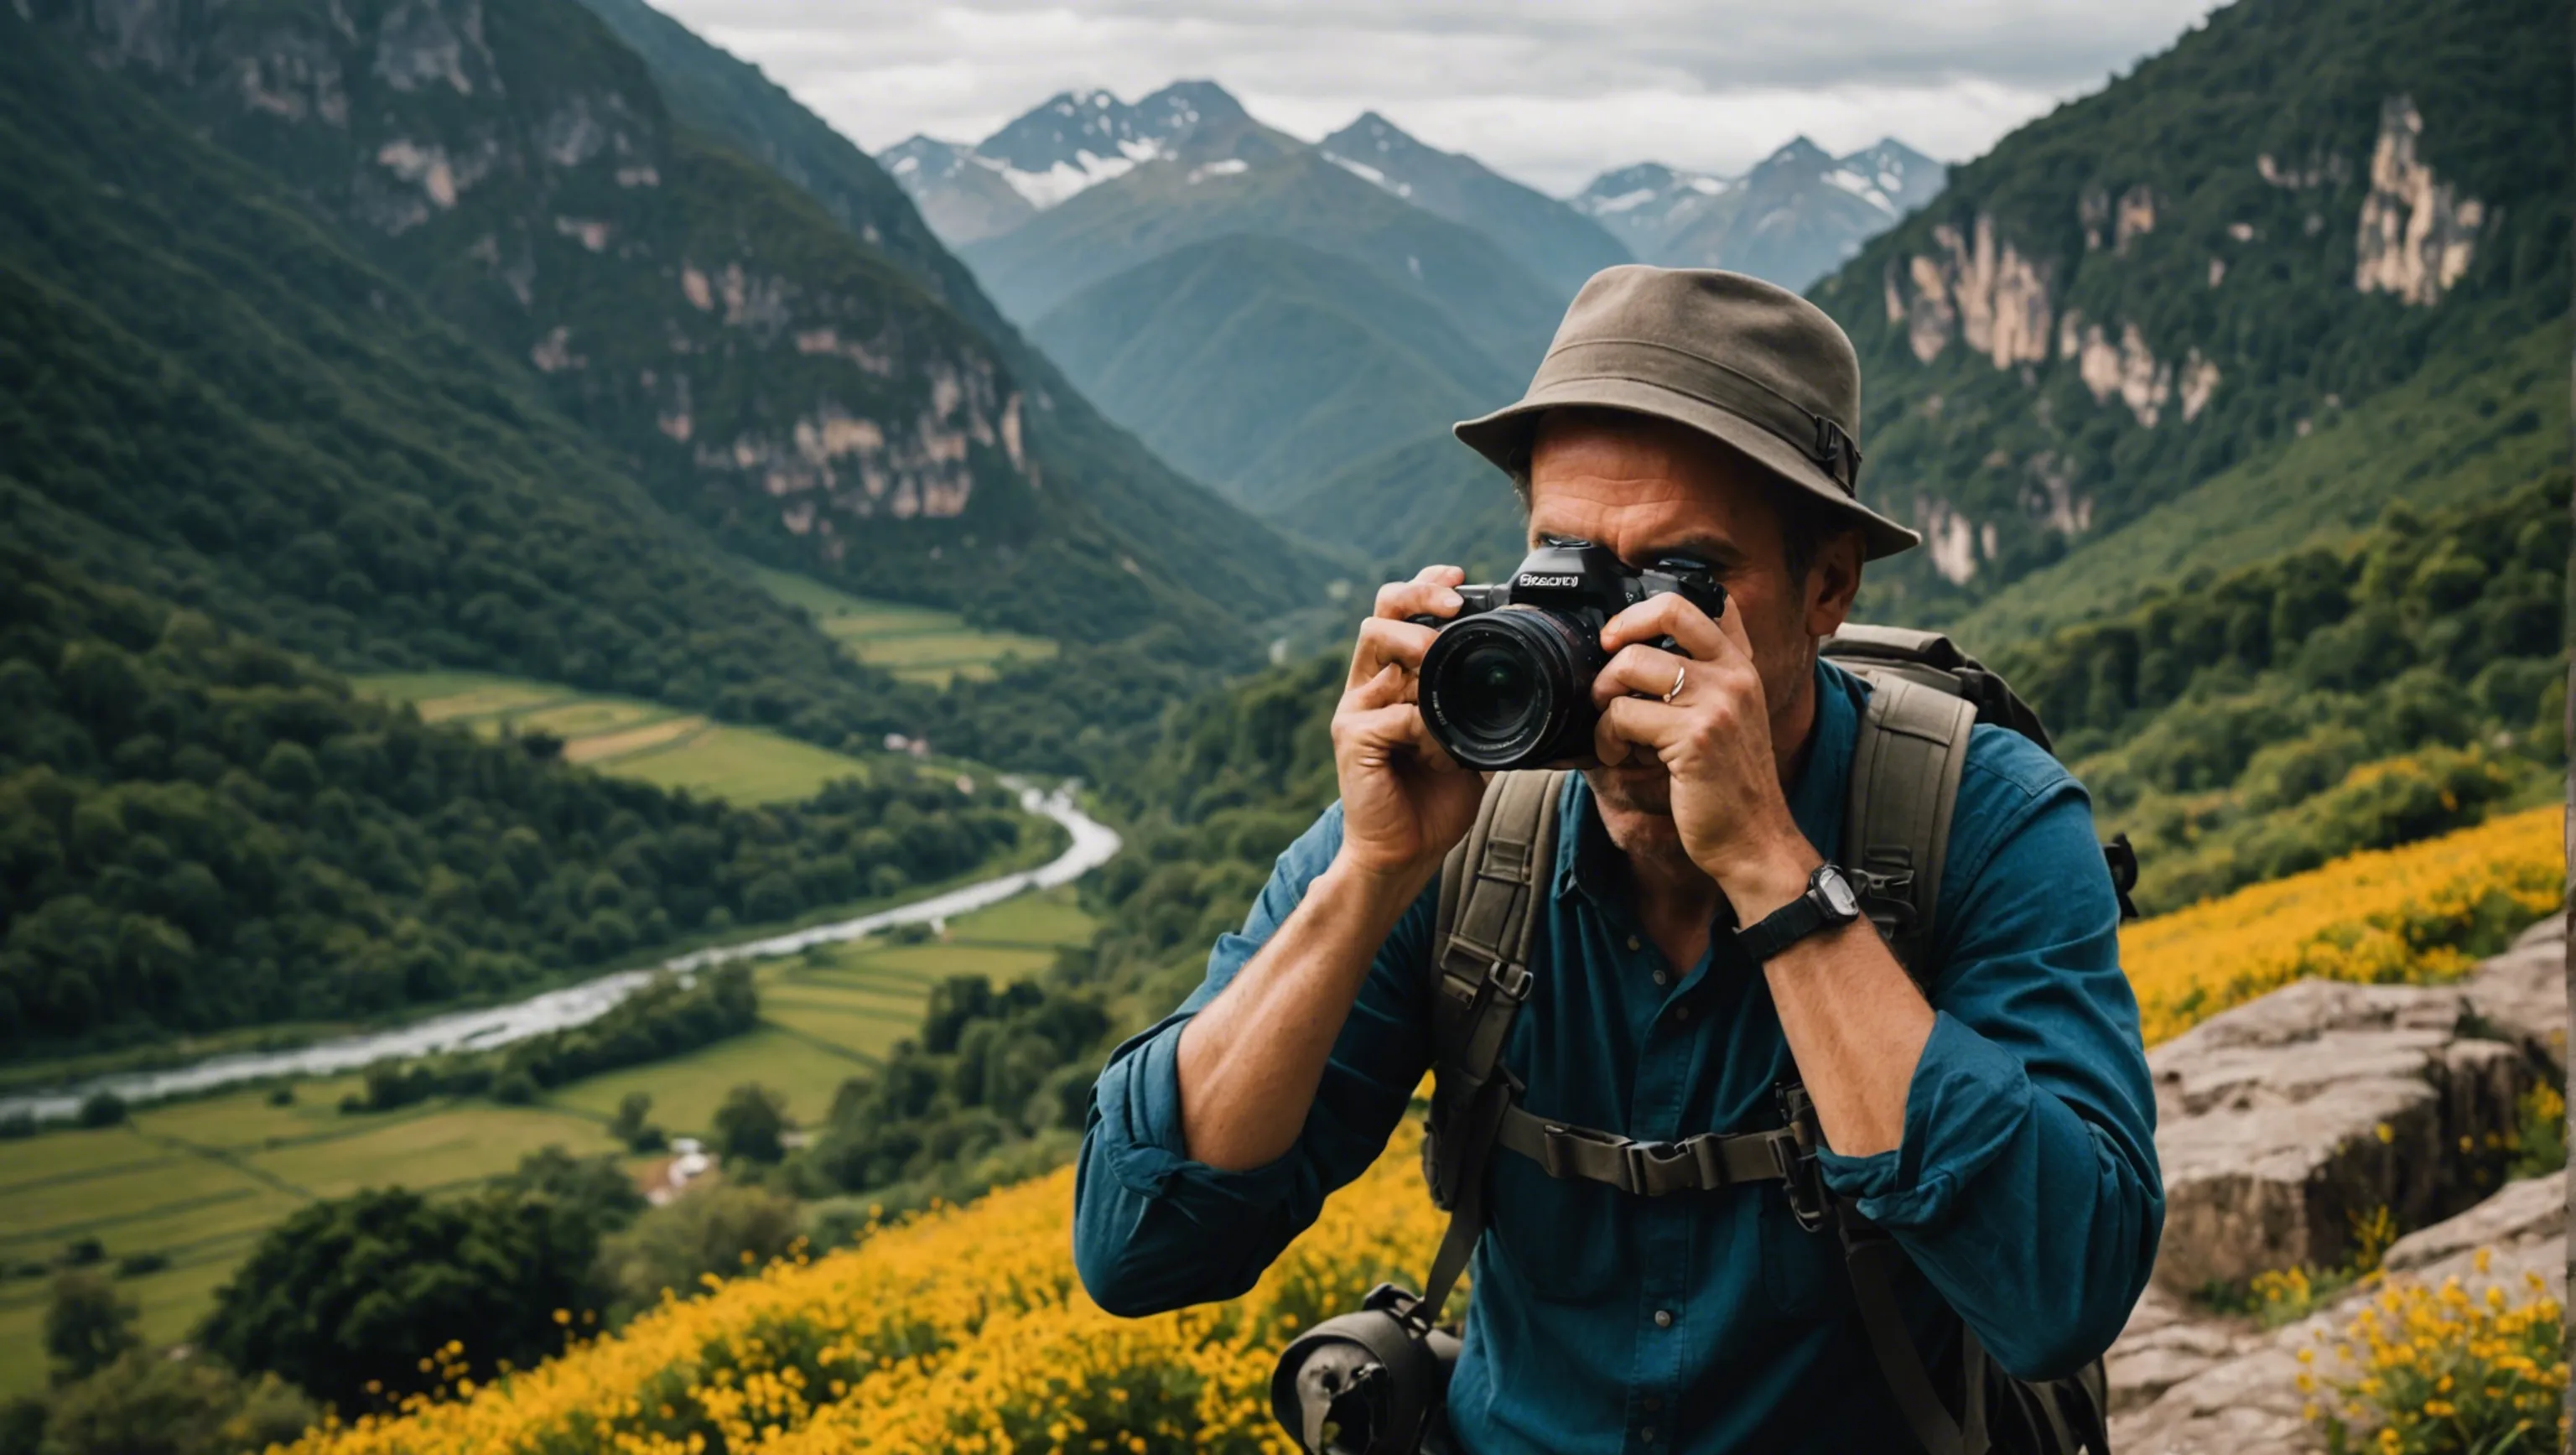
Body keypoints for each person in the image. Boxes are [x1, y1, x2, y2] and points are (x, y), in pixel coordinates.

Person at [1072, 267, 2163, 1453]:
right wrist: (1372, 874)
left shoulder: (1981, 818)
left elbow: (2061, 1292)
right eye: (1568, 564)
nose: (1611, 638)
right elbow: (1139, 1245)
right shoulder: (1465, 823)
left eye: (1684, 581)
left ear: (1828, 586)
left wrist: (1772, 868)